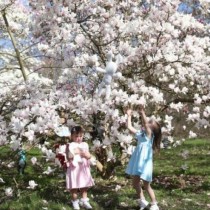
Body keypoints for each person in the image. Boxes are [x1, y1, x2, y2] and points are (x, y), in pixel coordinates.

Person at [125, 106, 162, 210]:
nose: (146, 124)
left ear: (151, 130)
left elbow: (145, 124)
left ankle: (154, 203)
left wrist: (142, 113)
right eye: (148, 122)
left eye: (150, 123)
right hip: (138, 163)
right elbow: (129, 127)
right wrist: (128, 116)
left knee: (146, 185)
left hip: (145, 164)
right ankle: (142, 200)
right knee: (135, 183)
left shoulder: (149, 136)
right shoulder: (141, 135)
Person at [66, 126, 94, 210]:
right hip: (74, 168)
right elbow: (69, 157)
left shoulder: (84, 144)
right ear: (72, 136)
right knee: (74, 186)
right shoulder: (70, 145)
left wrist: (86, 155)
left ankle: (84, 200)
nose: (79, 138)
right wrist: (74, 152)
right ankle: (75, 201)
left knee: (84, 185)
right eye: (76, 136)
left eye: (80, 136)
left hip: (83, 168)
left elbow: (89, 156)